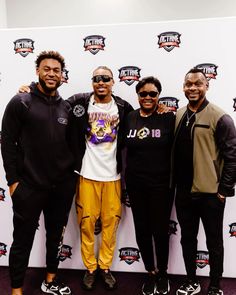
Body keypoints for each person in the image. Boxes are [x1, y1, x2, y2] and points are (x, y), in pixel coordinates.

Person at [1, 51, 77, 295]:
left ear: (62, 75)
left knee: (55, 237)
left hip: (61, 187)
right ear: (37, 71)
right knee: (22, 241)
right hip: (29, 187)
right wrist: (13, 181)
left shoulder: (67, 107)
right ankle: (16, 290)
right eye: (47, 69)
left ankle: (50, 280)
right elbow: (7, 142)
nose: (52, 74)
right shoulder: (21, 102)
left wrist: (71, 177)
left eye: (56, 70)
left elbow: (75, 144)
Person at [67, 66, 134, 290]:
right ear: (92, 82)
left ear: (113, 81)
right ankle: (90, 268)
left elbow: (144, 119)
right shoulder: (79, 102)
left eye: (106, 78)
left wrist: (161, 107)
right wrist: (30, 89)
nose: (101, 82)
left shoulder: (123, 107)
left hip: (113, 177)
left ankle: (104, 267)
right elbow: (52, 104)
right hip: (87, 174)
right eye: (97, 78)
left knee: (110, 224)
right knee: (86, 225)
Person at [173, 68, 236, 295]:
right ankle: (191, 280)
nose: (192, 88)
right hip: (184, 192)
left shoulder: (220, 117)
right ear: (183, 87)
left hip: (210, 194)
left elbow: (232, 157)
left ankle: (216, 285)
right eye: (188, 84)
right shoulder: (179, 115)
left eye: (198, 84)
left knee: (214, 243)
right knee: (187, 240)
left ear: (206, 86)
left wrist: (224, 191)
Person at [124, 76, 175, 295]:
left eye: (153, 94)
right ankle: (150, 272)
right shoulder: (129, 117)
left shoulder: (168, 118)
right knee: (142, 229)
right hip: (136, 184)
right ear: (137, 95)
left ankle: (163, 273)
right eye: (143, 93)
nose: (147, 97)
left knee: (160, 230)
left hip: (161, 185)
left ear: (158, 97)